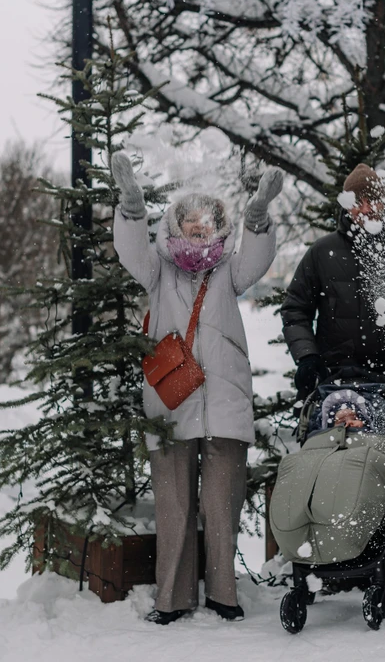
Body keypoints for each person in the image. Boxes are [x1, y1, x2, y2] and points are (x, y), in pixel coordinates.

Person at [110, 151, 282, 625]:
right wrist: (130, 206)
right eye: (191, 224)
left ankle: (224, 594)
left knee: (221, 507)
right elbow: (130, 251)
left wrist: (259, 215)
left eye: (208, 225)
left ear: (218, 229)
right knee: (174, 508)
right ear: (176, 227)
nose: (199, 231)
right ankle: (171, 598)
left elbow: (257, 257)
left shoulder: (229, 271)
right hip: (171, 404)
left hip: (225, 403)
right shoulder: (157, 269)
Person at [280, 163, 385, 455]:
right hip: (336, 383)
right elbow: (295, 308)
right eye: (359, 201)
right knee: (334, 466)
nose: (368, 208)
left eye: (375, 199)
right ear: (347, 206)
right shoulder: (322, 252)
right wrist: (307, 357)